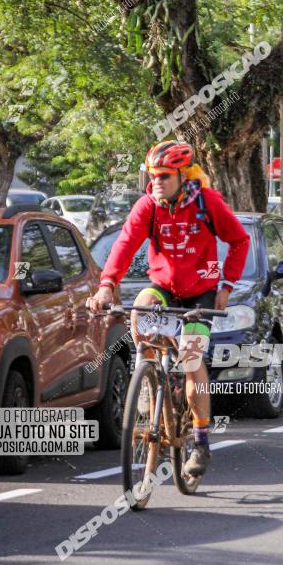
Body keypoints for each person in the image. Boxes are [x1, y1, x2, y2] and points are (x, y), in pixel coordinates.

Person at [87, 141, 250, 477]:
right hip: (163, 288)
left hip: (201, 294)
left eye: (163, 175)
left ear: (181, 174)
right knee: (140, 311)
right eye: (152, 175)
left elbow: (239, 240)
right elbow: (125, 244)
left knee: (191, 361)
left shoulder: (207, 202)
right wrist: (106, 284)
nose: (156, 181)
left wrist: (227, 286)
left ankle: (201, 440)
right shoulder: (148, 205)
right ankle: (147, 379)